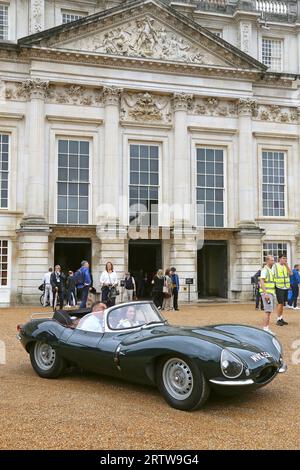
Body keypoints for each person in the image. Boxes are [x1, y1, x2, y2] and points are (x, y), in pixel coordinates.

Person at [273, 253, 292, 326]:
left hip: (285, 287)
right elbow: (272, 275)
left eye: (285, 258)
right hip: (279, 287)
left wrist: (287, 265)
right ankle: (278, 319)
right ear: (279, 259)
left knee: (283, 304)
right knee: (280, 303)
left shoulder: (285, 266)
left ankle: (281, 318)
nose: (285, 259)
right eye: (283, 258)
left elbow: (291, 274)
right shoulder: (275, 266)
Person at [259, 255, 276, 334]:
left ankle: (266, 328)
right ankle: (265, 329)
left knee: (269, 311)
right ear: (267, 261)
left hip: (271, 292)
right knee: (267, 311)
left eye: (273, 260)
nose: (273, 261)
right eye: (272, 260)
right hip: (267, 293)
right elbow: (261, 281)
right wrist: (265, 294)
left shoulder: (270, 269)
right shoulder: (265, 270)